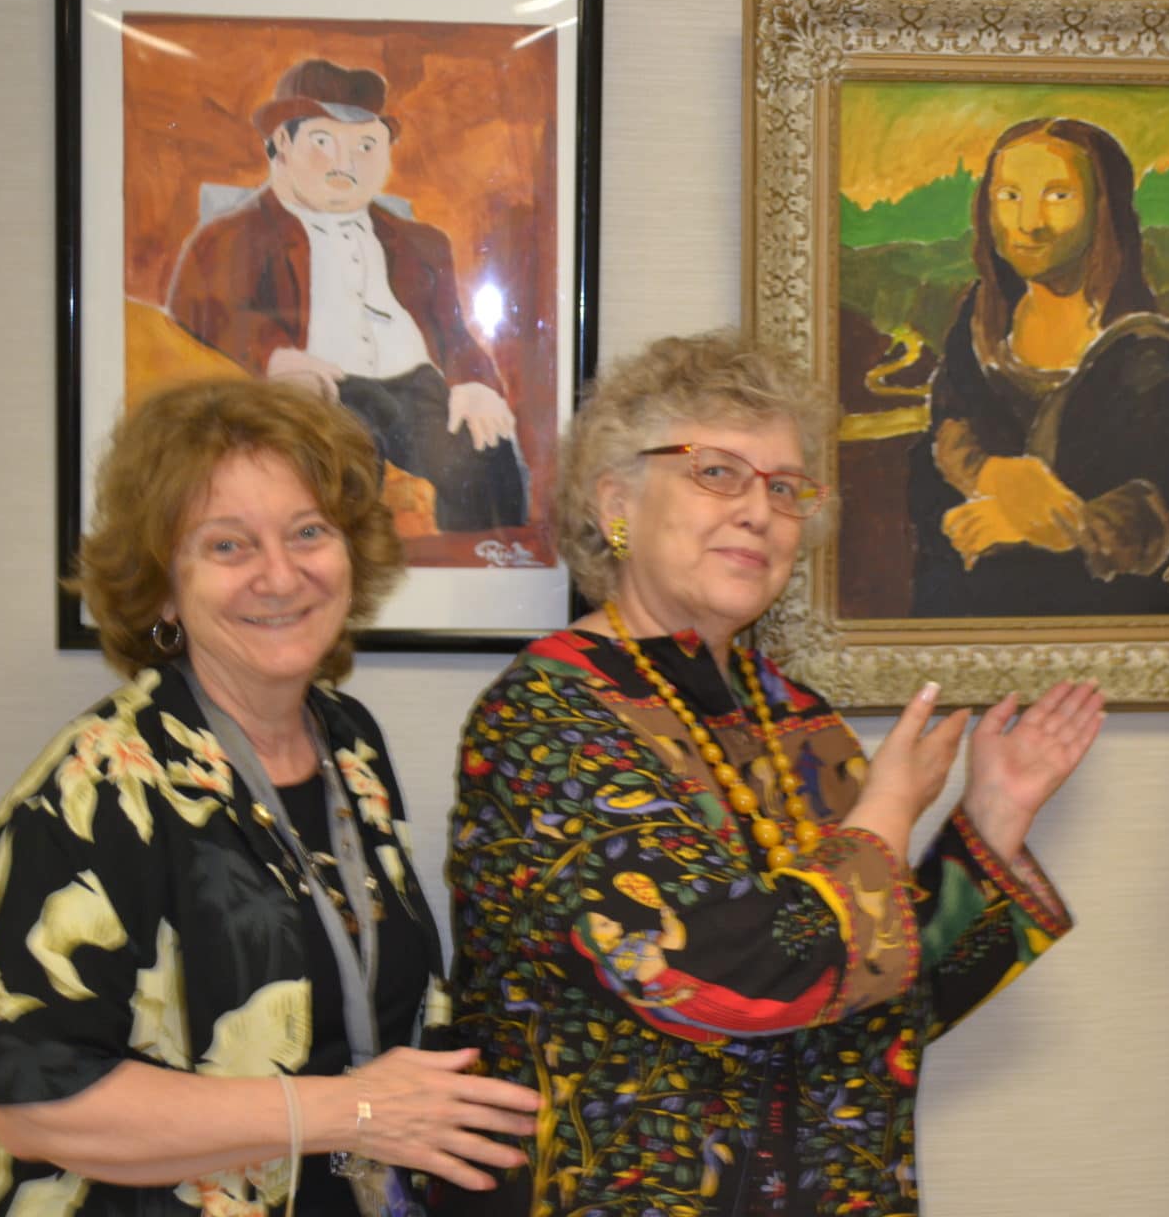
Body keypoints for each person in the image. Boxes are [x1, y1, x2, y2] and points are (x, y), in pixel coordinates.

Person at [437, 331, 1105, 1214]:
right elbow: (721, 973)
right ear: (614, 503)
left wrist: (992, 818)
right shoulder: (546, 719)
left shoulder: (801, 719)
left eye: (785, 488)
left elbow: (884, 1003)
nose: (759, 510)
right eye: (716, 472)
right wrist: (889, 813)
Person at [0, 380, 540, 1216]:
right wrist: (357, 1112)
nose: (281, 575)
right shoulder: (92, 790)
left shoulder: (348, 741)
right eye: (229, 546)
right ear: (164, 588)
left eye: (308, 532)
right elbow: (36, 1109)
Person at [166, 57, 530, 534]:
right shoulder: (235, 236)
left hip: (415, 386)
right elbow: (203, 307)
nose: (346, 164)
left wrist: (477, 384)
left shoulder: (421, 242)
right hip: (327, 387)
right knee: (345, 460)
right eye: (323, 142)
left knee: (484, 450)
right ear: (282, 145)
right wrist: (276, 358)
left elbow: (453, 332)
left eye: (365, 145)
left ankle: (479, 580)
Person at [906, 116, 1169, 617]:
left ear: (1102, 210)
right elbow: (950, 424)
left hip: (1100, 610)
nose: (1029, 222)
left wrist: (1042, 526)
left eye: (1058, 196)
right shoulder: (981, 317)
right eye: (1009, 195)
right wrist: (994, 475)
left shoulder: (1145, 354)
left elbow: (1146, 517)